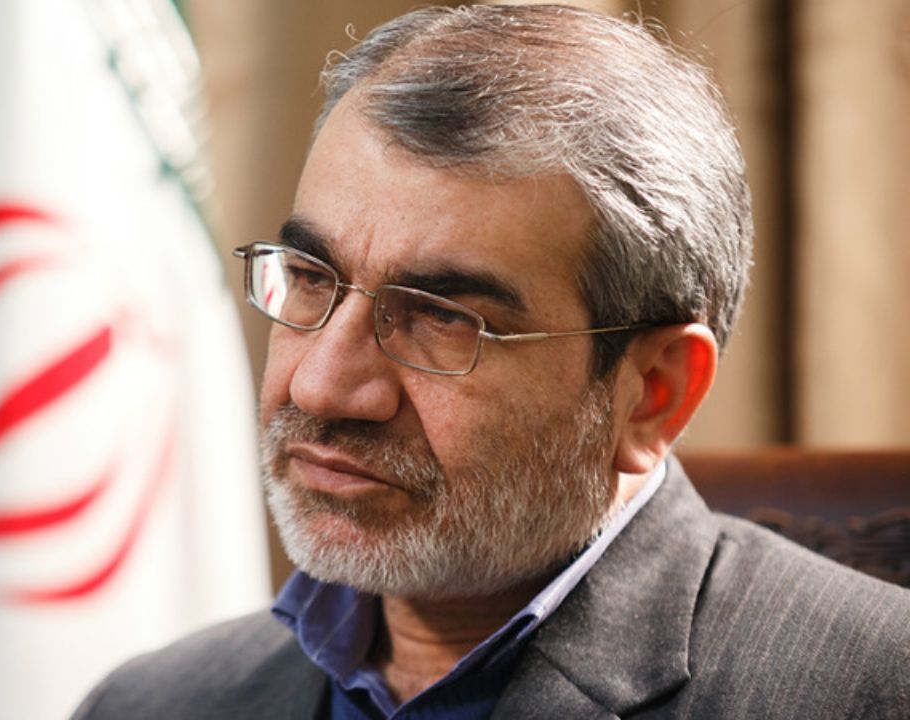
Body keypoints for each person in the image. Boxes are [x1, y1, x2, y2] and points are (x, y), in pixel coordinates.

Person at [74, 5, 910, 719]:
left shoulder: (874, 690)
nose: (321, 385)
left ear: (653, 392)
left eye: (440, 319)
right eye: (310, 278)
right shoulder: (152, 704)